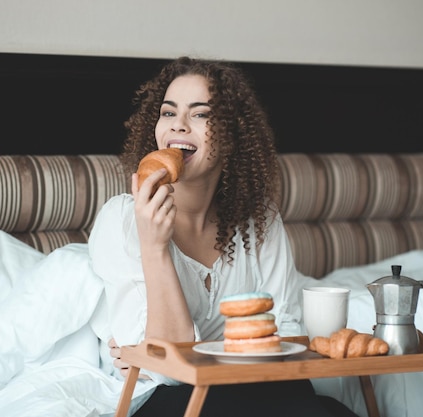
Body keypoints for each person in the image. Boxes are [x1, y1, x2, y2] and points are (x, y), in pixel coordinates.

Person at [87, 56, 357, 417]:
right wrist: (155, 246)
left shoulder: (260, 221)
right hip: (161, 402)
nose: (178, 125)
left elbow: (287, 334)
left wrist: (200, 351)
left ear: (231, 135)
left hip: (255, 389)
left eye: (200, 114)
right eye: (168, 113)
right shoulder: (122, 219)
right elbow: (166, 370)